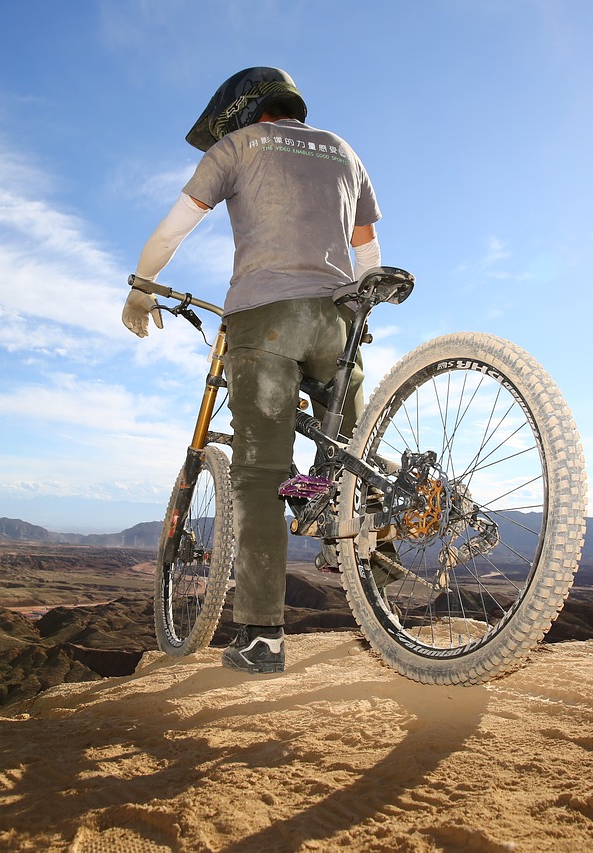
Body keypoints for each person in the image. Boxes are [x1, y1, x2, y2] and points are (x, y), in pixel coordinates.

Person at [122, 67, 382, 674]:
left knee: (260, 475)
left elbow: (175, 228)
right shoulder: (344, 150)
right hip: (341, 319)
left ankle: (262, 637)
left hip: (266, 319)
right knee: (353, 456)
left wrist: (142, 288)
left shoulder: (236, 147)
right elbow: (367, 248)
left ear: (243, 111)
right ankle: (379, 581)